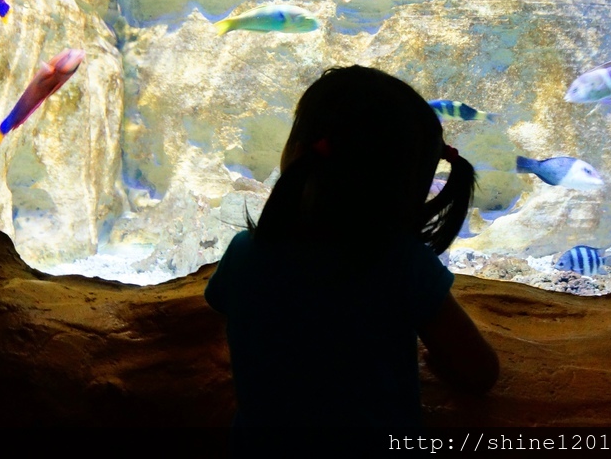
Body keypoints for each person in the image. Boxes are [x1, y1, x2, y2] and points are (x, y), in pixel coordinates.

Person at [205, 65, 498, 427]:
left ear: (298, 153)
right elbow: (481, 371)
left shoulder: (244, 252)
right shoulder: (404, 264)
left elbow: (227, 315)